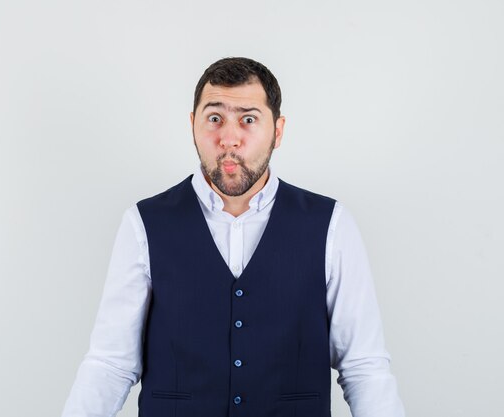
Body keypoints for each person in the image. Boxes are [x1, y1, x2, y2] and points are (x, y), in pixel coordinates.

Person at [61, 57, 405, 417]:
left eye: (248, 119)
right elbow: (111, 364)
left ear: (278, 130)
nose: (229, 138)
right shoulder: (143, 223)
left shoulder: (332, 224)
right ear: (193, 125)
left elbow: (364, 366)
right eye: (214, 119)